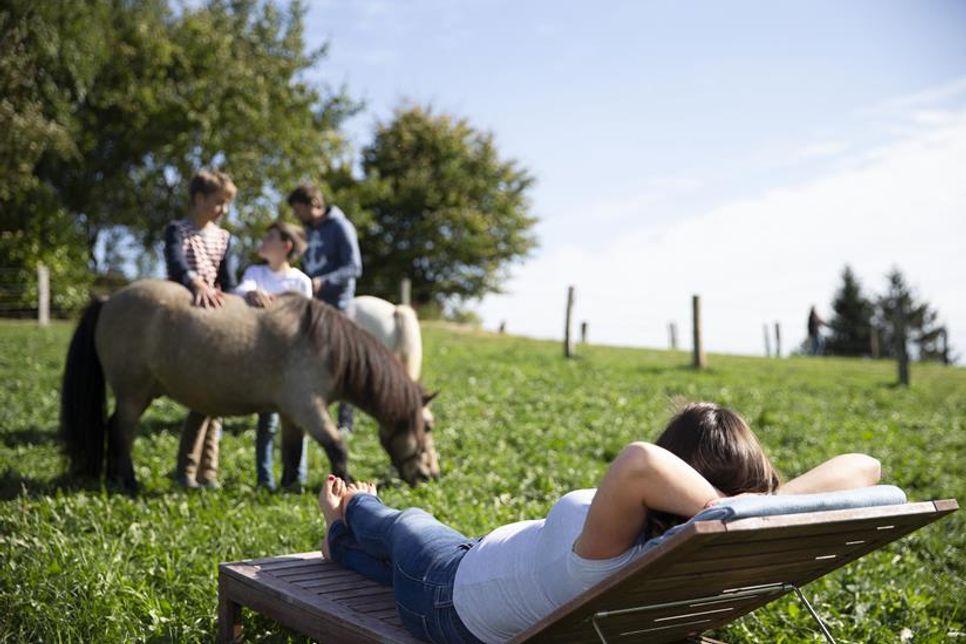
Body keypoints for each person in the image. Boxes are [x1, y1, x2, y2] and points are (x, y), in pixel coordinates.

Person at [317, 402, 883, 644]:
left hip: (447, 595)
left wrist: (716, 507)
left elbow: (638, 459)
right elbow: (868, 467)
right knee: (402, 548)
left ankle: (354, 507)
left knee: (408, 521)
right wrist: (757, 503)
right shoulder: (685, 554)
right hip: (484, 568)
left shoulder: (620, 551)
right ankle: (343, 539)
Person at [163, 169, 237, 489]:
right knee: (204, 399)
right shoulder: (178, 230)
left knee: (216, 398)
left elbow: (228, 280)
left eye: (226, 204)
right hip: (188, 310)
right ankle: (190, 470)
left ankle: (208, 471)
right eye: (218, 203)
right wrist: (194, 281)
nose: (222, 210)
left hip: (216, 316)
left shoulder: (223, 238)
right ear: (199, 198)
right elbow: (176, 263)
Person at [234, 221, 313, 491]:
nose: (263, 241)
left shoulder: (301, 281)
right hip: (265, 360)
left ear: (285, 246)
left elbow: (307, 320)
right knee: (267, 423)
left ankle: (295, 480)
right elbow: (240, 290)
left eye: (270, 237)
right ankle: (264, 480)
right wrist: (252, 293)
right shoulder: (255, 272)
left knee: (296, 424)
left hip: (293, 361)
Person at [288, 183, 362, 436]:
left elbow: (354, 267)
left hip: (338, 304)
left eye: (299, 211)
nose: (297, 217)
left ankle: (345, 422)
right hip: (313, 305)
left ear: (314, 205)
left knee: (342, 363)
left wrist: (324, 281)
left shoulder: (341, 227)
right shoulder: (307, 231)